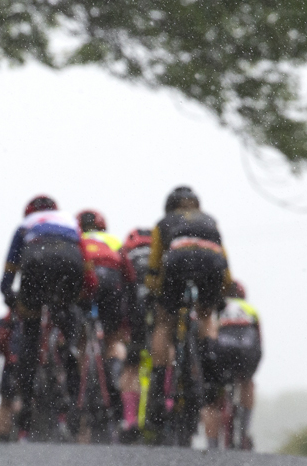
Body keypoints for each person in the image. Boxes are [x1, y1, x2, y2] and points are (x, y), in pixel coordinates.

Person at [0, 195, 94, 435]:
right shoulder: (70, 222)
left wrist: (8, 293)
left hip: (37, 261)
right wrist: (87, 293)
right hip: (70, 263)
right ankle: (70, 347)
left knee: (31, 330)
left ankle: (27, 400)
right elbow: (86, 261)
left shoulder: (26, 225)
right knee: (67, 310)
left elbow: (11, 265)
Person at [145, 186, 231, 445]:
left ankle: (159, 382)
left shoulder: (164, 223)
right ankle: (209, 359)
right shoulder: (210, 221)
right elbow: (224, 260)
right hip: (211, 261)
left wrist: (155, 292)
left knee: (165, 321)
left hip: (178, 259)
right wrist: (221, 293)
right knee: (205, 315)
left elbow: (155, 264)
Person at [76, 210, 137, 426]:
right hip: (111, 282)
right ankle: (115, 371)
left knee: (82, 338)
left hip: (85, 278)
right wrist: (128, 319)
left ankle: (79, 382)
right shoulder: (112, 241)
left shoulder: (77, 239)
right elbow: (129, 277)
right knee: (113, 338)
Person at [215, 281, 262, 449]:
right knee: (248, 383)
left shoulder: (217, 307)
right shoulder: (250, 309)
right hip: (246, 351)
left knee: (214, 394)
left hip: (222, 349)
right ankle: (244, 430)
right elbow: (259, 339)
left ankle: (212, 443)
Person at [119, 228, 153, 436]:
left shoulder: (125, 256)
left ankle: (130, 420)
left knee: (131, 367)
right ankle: (166, 403)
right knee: (164, 350)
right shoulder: (162, 255)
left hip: (133, 314)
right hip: (158, 311)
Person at [0, 311, 22, 442]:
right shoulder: (4, 324)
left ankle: (11, 431)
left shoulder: (6, 323)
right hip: (12, 369)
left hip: (22, 368)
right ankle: (4, 433)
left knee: (9, 401)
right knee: (7, 400)